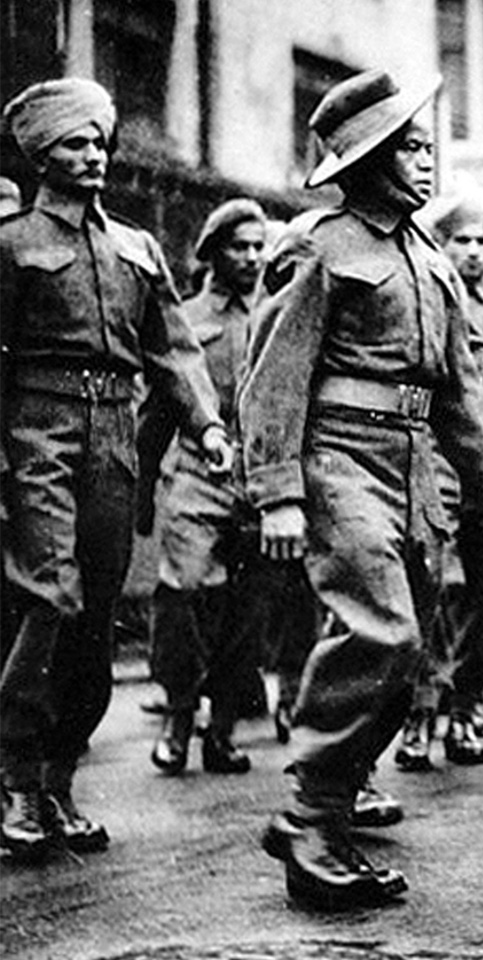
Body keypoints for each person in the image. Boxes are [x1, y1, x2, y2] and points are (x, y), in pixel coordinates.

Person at [244, 70, 483, 909]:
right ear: (366, 161)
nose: (425, 160)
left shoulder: (430, 260)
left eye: (426, 144)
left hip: (411, 467)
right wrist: (279, 492)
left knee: (409, 655)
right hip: (338, 458)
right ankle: (310, 811)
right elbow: (275, 376)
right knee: (384, 631)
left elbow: (462, 398)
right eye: (408, 148)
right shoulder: (318, 244)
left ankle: (323, 818)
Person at [0, 78, 233, 863]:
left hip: (114, 438)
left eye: (100, 142)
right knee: (48, 596)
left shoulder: (137, 247)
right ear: (40, 155)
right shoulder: (11, 246)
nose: (93, 156)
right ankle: (19, 780)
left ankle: (61, 780)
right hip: (38, 432)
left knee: (96, 611)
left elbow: (173, 350)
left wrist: (205, 424)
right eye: (75, 144)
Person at [145, 197, 274, 777]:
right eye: (237, 246)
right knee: (183, 592)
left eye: (257, 246)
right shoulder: (188, 319)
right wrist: (144, 480)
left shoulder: (281, 313)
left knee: (245, 611)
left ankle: (221, 731)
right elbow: (160, 408)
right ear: (212, 252)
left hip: (261, 480)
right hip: (197, 476)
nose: (250, 257)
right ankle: (177, 715)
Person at [393, 188, 483, 771]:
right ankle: (419, 710)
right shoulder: (428, 299)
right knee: (433, 591)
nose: (471, 251)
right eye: (459, 240)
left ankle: (467, 703)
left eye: (481, 241)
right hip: (434, 460)